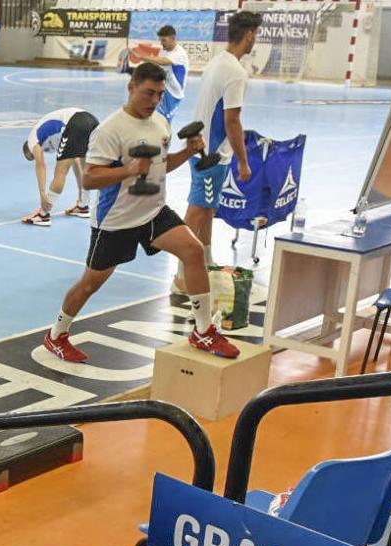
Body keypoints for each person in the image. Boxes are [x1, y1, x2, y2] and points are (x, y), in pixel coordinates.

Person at [43, 63, 240, 363]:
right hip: (116, 220)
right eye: (148, 93)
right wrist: (130, 169)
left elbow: (160, 167)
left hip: (153, 212)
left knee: (193, 251)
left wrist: (186, 153)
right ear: (131, 87)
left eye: (160, 95)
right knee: (90, 284)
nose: (154, 101)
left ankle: (202, 331)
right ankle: (57, 334)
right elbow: (90, 179)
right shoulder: (109, 130)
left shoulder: (161, 122)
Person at [181, 11, 261, 281]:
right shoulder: (236, 73)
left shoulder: (217, 62)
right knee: (198, 210)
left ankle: (205, 259)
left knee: (207, 209)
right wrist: (244, 161)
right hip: (212, 154)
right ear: (249, 35)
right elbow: (232, 120)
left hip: (200, 147)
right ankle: (182, 273)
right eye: (255, 35)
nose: (255, 40)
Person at [20, 107, 99, 226]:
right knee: (84, 166)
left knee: (60, 171)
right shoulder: (54, 137)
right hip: (92, 121)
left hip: (75, 123)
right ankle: (83, 206)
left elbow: (41, 165)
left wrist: (43, 195)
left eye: (32, 157)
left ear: (28, 150)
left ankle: (43, 214)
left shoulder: (32, 140)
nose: (36, 156)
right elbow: (75, 160)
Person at [128, 25, 190, 123]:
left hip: (173, 94)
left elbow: (163, 61)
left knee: (164, 122)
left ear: (173, 38)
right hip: (163, 90)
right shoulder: (163, 50)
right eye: (160, 40)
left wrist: (141, 57)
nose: (161, 43)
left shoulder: (179, 53)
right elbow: (157, 64)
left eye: (164, 40)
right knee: (153, 118)